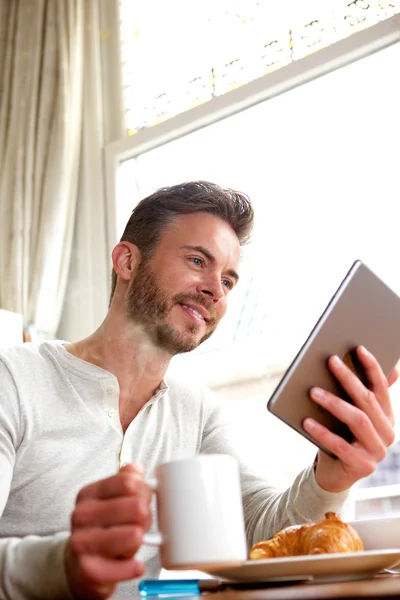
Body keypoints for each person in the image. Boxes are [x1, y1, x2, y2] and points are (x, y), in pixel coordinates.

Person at [0, 181, 397, 599]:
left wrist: (332, 478)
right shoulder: (14, 378)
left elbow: (263, 535)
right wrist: (61, 564)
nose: (214, 290)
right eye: (196, 260)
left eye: (228, 281)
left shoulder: (199, 410)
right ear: (126, 261)